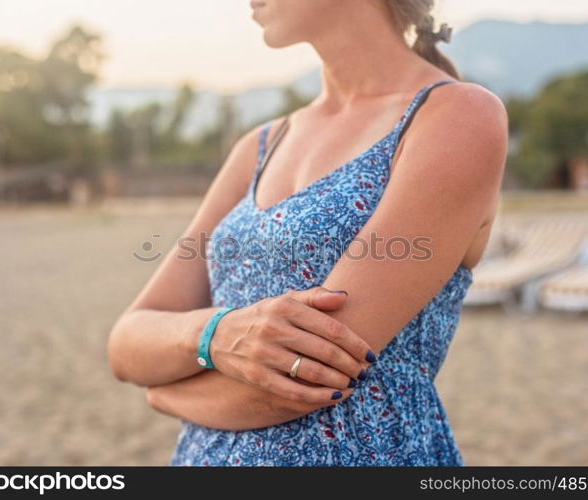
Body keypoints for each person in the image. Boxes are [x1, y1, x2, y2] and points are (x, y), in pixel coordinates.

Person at [108, 0, 508, 466]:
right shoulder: (261, 144)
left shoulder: (456, 117)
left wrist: (166, 394)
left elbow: (312, 377)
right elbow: (126, 343)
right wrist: (214, 333)